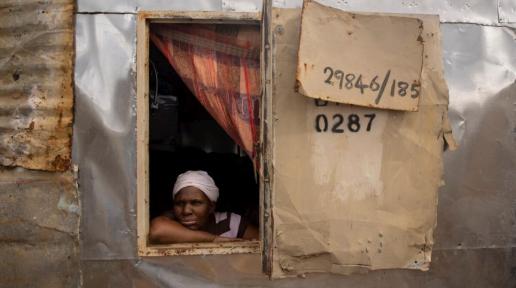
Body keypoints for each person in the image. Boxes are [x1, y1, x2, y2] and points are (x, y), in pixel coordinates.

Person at [149, 170, 259, 244]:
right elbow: (157, 230)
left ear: (211, 206)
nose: (186, 211)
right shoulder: (171, 220)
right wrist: (214, 239)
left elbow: (266, 246)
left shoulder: (230, 223)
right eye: (180, 203)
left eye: (196, 202)